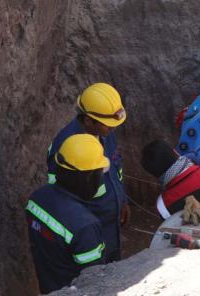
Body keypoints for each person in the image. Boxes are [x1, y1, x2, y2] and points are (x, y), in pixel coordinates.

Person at [46, 82, 130, 262]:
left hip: (111, 223)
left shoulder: (105, 131)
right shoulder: (65, 147)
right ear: (88, 120)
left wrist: (122, 200)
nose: (113, 128)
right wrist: (85, 229)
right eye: (107, 125)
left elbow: (116, 166)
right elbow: (62, 197)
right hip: (91, 228)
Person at [26, 134, 109, 293]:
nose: (101, 180)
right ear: (88, 177)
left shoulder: (35, 199)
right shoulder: (85, 227)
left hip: (48, 287)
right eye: (100, 174)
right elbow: (96, 281)